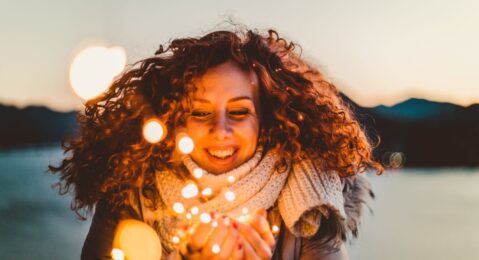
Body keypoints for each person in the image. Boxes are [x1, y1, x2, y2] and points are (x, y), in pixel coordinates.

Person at [50, 28, 383, 260]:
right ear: (175, 118)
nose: (220, 129)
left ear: (265, 121)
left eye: (239, 111)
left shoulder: (311, 202)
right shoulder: (131, 193)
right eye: (199, 112)